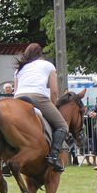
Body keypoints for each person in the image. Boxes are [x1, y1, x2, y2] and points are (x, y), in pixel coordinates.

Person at [13, 43, 68, 172]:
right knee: (62, 126)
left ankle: (6, 159)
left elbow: (16, 90)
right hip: (37, 97)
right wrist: (53, 105)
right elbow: (54, 91)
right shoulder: (48, 65)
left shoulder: (19, 69)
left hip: (18, 98)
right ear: (40, 54)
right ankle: (53, 157)